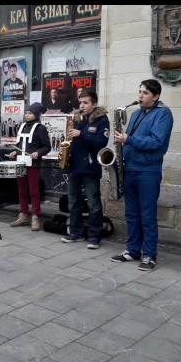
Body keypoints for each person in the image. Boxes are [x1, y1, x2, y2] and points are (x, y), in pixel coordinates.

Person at [110, 79, 174, 271]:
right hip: (131, 169)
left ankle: (149, 255)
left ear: (156, 96)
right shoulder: (137, 113)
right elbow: (128, 141)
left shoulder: (163, 114)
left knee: (147, 215)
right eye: (139, 92)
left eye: (145, 93)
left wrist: (128, 138)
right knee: (131, 214)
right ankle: (132, 250)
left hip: (148, 171)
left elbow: (155, 141)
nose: (140, 96)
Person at [60, 90, 110, 249]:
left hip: (90, 167)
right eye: (80, 102)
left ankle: (95, 236)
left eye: (85, 103)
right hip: (74, 165)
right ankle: (76, 232)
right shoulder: (76, 118)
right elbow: (70, 139)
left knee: (94, 203)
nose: (82, 106)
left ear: (94, 104)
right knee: (73, 202)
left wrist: (81, 133)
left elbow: (101, 143)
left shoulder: (102, 120)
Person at [7, 102, 51, 231]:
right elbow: (20, 144)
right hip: (21, 162)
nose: (27, 115)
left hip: (33, 164)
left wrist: (38, 153)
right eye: (26, 112)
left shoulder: (40, 128)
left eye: (30, 113)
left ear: (36, 114)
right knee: (22, 190)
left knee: (34, 191)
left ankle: (36, 216)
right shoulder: (22, 126)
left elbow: (47, 147)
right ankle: (23, 214)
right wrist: (15, 152)